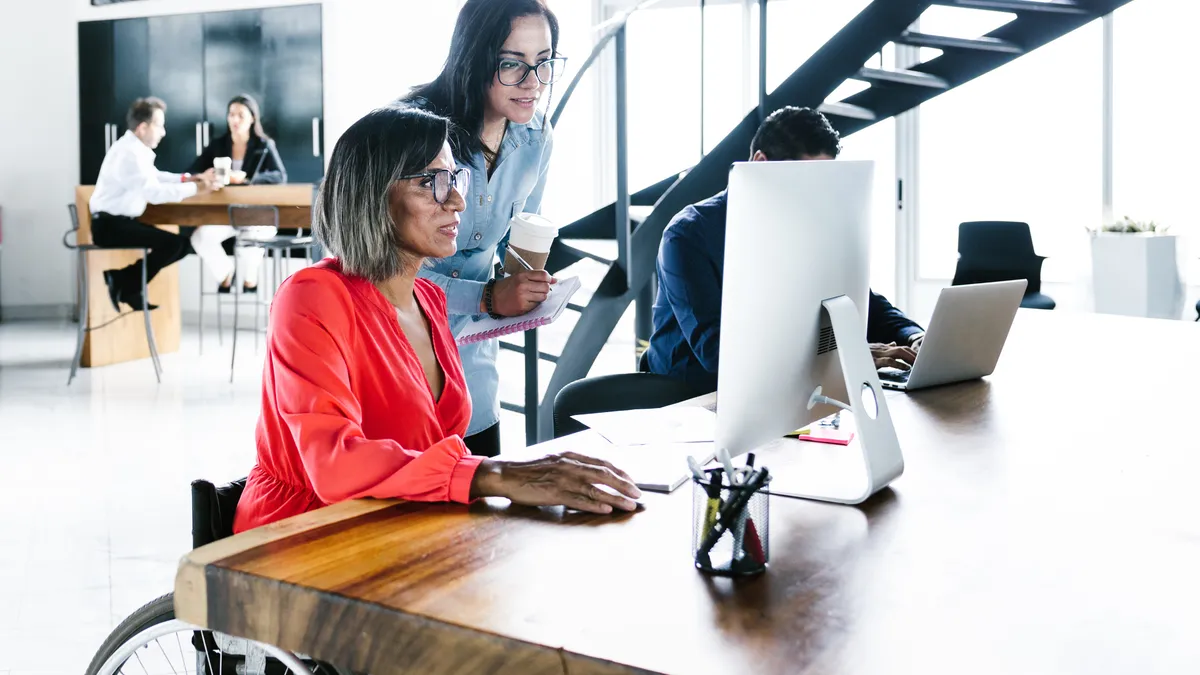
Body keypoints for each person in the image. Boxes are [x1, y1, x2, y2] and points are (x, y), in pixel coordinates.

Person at [233, 107, 640, 534]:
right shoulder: (311, 296)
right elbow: (333, 465)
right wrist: (496, 475)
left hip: (398, 527)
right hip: (301, 540)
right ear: (372, 194)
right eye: (433, 183)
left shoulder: (426, 298)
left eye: (455, 178)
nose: (458, 201)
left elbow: (433, 451)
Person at [646, 106, 925, 395]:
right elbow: (717, 352)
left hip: (784, 389)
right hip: (690, 398)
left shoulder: (810, 226)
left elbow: (860, 303)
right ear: (760, 163)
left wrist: (915, 336)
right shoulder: (688, 235)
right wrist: (844, 353)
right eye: (805, 180)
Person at [397, 0, 567, 458]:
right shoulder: (411, 134)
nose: (533, 84)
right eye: (512, 64)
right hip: (400, 357)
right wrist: (489, 298)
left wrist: (525, 286)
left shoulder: (536, 139)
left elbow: (521, 236)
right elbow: (384, 270)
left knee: (483, 516)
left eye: (544, 63)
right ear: (474, 58)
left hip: (473, 366)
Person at [89, 97, 219, 311]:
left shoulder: (133, 150)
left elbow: (156, 177)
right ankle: (124, 282)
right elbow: (154, 192)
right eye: (159, 125)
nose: (163, 132)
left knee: (181, 245)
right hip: (109, 226)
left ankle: (124, 281)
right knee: (176, 244)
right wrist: (198, 189)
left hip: (118, 224)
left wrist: (190, 178)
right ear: (142, 128)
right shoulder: (128, 155)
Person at [187, 94, 288, 293]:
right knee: (200, 237)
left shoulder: (264, 146)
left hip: (256, 212)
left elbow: (280, 177)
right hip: (225, 213)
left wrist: (246, 180)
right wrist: (206, 176)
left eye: (240, 115)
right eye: (231, 114)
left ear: (252, 118)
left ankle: (250, 281)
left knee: (248, 240)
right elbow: (192, 172)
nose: (234, 120)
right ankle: (226, 274)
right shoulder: (217, 145)